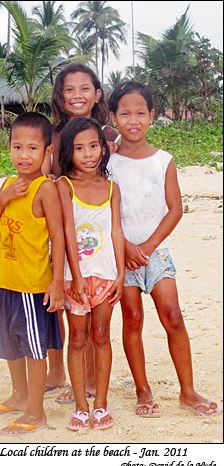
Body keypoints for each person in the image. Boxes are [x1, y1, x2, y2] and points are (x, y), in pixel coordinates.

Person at [108, 80, 219, 418]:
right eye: (124, 113)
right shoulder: (107, 162)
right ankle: (143, 391)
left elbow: (175, 208)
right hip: (120, 254)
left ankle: (187, 390)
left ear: (152, 115)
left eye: (140, 113)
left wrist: (147, 246)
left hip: (156, 252)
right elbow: (101, 209)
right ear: (113, 117)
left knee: (172, 315)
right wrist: (127, 247)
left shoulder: (163, 160)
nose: (133, 120)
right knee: (132, 319)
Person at [0, 112, 65, 435]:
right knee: (9, 344)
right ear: (9, 148)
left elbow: (58, 237)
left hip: (32, 286)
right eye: (17, 147)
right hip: (6, 283)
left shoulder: (45, 189)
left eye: (32, 148)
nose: (24, 155)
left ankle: (35, 411)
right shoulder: (7, 184)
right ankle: (18, 396)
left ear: (47, 152)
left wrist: (57, 281)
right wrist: (3, 198)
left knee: (33, 349)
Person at [42, 62, 120, 404]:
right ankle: (58, 371)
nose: (77, 95)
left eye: (84, 88)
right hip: (58, 233)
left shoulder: (108, 136)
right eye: (69, 89)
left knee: (92, 314)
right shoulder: (53, 135)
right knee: (59, 305)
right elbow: (43, 177)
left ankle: (89, 377)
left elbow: (114, 185)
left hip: (97, 238)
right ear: (60, 96)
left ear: (97, 94)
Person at [57, 117, 125, 430]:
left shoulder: (112, 188)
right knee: (77, 339)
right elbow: (67, 232)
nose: (88, 154)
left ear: (103, 148)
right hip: (76, 279)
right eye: (79, 148)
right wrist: (77, 278)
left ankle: (101, 404)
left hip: (107, 276)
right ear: (68, 151)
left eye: (94, 146)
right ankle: (81, 407)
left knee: (101, 336)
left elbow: (115, 232)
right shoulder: (64, 186)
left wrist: (121, 275)